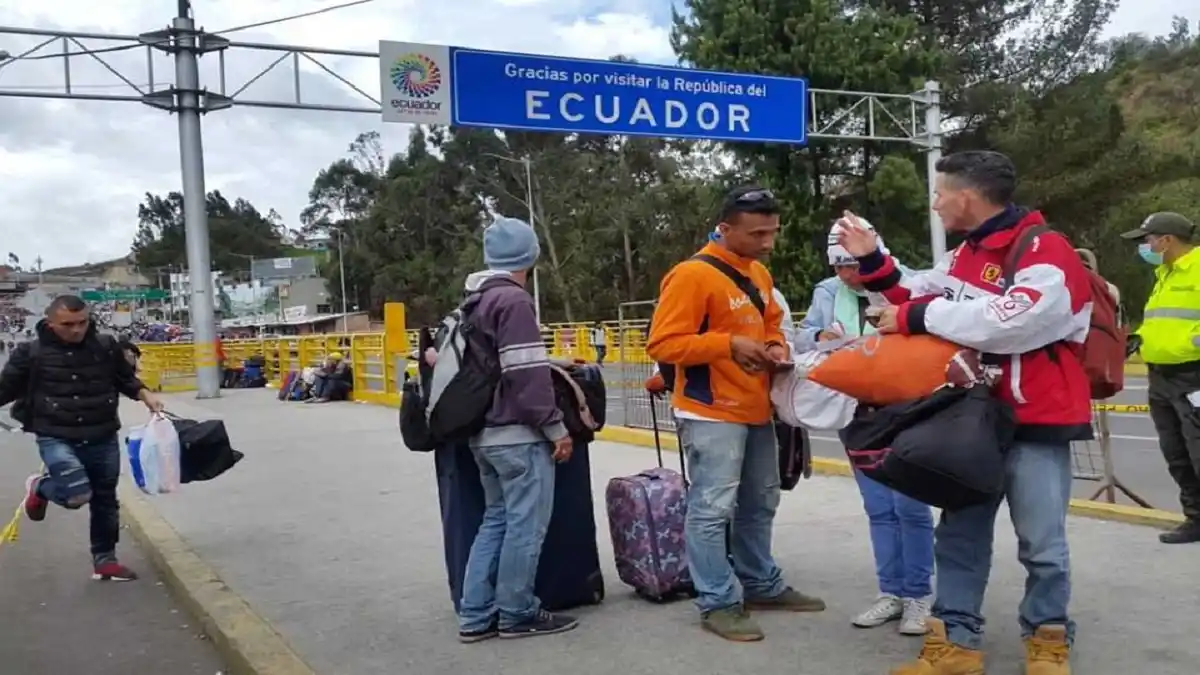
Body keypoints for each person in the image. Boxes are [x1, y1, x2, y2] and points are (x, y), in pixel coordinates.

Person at [839, 151, 1092, 675]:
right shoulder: (964, 255)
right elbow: (917, 292)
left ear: (966, 196)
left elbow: (1008, 322)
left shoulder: (1047, 250)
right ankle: (955, 645)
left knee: (1042, 544)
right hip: (971, 422)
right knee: (958, 539)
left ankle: (1047, 640)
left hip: (1035, 423)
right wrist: (872, 261)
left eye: (939, 193)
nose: (934, 203)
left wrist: (915, 315)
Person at [647, 186, 824, 643]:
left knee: (761, 501)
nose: (767, 242)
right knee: (711, 508)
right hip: (710, 412)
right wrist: (727, 344)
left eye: (772, 232)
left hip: (755, 407)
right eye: (757, 233)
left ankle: (761, 584)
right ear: (725, 230)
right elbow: (664, 344)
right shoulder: (691, 276)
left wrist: (775, 346)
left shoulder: (759, 274)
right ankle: (718, 601)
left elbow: (770, 323)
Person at [799, 219, 935, 636]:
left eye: (852, 266)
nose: (846, 275)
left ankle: (917, 596)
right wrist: (819, 334)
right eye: (838, 267)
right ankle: (890, 592)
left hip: (905, 407)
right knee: (879, 508)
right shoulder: (828, 291)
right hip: (856, 411)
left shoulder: (908, 283)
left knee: (910, 507)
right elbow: (805, 336)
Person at [456, 216, 578, 642]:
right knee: (526, 526)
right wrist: (556, 428)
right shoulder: (514, 301)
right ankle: (517, 612)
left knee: (496, 521)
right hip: (518, 436)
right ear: (531, 256)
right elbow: (524, 373)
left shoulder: (472, 302)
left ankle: (474, 614)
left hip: (483, 434)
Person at [0, 295, 164, 581]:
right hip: (55, 435)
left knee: (105, 499)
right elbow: (5, 389)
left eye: (82, 323)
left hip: (102, 433)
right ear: (51, 323)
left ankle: (105, 560)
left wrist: (145, 395)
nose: (76, 330)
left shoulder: (105, 346)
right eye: (67, 324)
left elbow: (125, 379)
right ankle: (40, 488)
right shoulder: (30, 353)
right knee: (77, 495)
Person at [1121, 212, 1200, 544]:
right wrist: (1139, 338)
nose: (1145, 246)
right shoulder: (1164, 274)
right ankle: (1195, 518)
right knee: (1176, 452)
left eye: (1148, 239)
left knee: (1198, 450)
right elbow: (1164, 321)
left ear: (1166, 240)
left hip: (1193, 375)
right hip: (1161, 378)